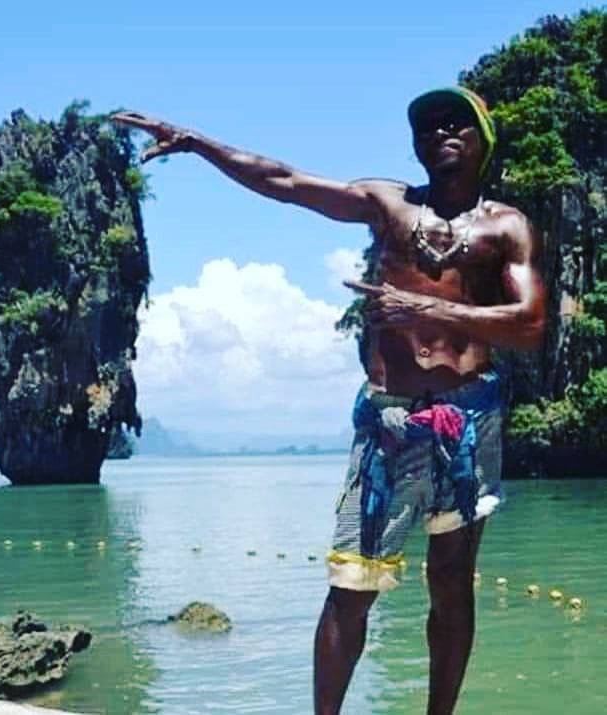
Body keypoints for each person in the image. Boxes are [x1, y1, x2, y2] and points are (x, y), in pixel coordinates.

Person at [112, 86, 545, 715]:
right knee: (352, 584)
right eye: (427, 125)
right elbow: (285, 181)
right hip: (389, 420)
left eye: (456, 123)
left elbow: (530, 324)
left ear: (484, 138)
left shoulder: (506, 227)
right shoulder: (388, 204)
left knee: (452, 582)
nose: (440, 133)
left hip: (468, 418)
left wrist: (425, 308)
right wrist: (199, 144)